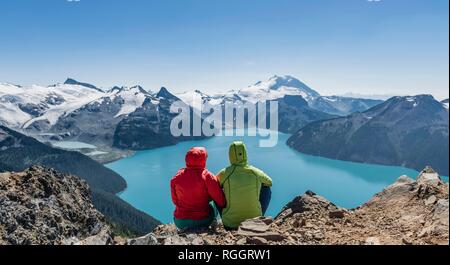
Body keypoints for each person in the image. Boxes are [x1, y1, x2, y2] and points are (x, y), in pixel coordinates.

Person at [216, 141, 273, 229]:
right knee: (266, 188)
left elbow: (214, 184)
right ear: (245, 154)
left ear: (230, 155)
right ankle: (258, 217)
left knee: (216, 191)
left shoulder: (225, 173)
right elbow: (270, 182)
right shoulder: (255, 171)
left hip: (230, 224)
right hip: (253, 223)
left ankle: (225, 217)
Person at [170, 147, 226, 230]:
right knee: (215, 202)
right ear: (203, 160)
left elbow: (175, 201)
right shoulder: (208, 176)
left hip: (180, 222)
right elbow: (221, 201)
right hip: (203, 220)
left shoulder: (177, 177)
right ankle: (214, 223)